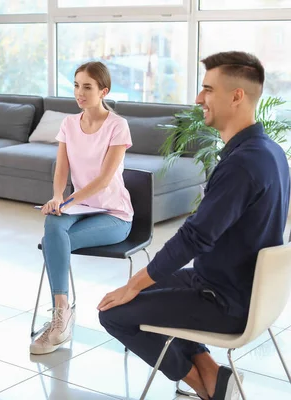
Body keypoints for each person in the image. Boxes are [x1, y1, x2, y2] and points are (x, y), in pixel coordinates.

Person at [98, 51, 290, 400]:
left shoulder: (243, 165)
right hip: (239, 289)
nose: (199, 98)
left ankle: (203, 386)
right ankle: (211, 371)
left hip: (224, 301)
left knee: (115, 313)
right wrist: (141, 282)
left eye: (207, 89)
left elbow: (194, 237)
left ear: (236, 96)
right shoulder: (271, 152)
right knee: (146, 287)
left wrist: (133, 286)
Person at [30, 61, 134, 355]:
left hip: (114, 215)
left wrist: (66, 202)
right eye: (76, 85)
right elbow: (61, 168)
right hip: (80, 208)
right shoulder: (68, 124)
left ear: (104, 91)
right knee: (52, 225)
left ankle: (60, 323)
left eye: (87, 87)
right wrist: (55, 197)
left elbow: (103, 180)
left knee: (53, 242)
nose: (80, 92)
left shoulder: (117, 126)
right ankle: (62, 312)